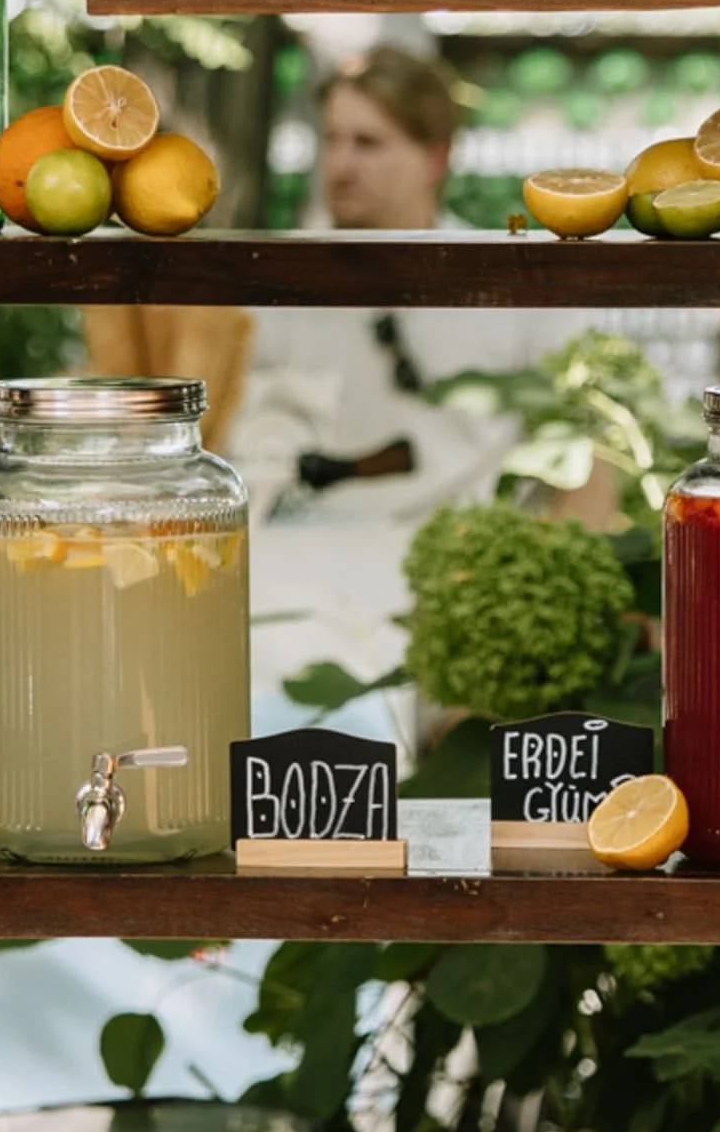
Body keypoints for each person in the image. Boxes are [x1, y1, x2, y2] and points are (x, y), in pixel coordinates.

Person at [236, 44, 589, 702]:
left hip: (455, 593)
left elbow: (589, 462)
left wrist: (535, 629)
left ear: (435, 157)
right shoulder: (272, 287)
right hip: (295, 585)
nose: (339, 165)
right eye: (332, 139)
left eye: (368, 143)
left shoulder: (511, 284)